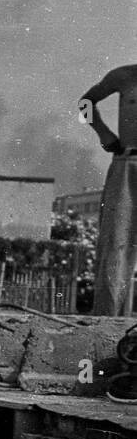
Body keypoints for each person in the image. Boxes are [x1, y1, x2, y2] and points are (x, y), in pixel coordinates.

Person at [81, 64, 137, 316]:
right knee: (116, 242)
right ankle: (109, 320)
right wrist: (104, 135)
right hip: (128, 164)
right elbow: (85, 103)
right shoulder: (124, 76)